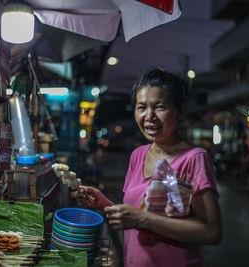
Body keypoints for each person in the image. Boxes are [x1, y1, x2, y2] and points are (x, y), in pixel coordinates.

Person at [71, 68, 222, 267]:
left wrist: (143, 219)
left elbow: (212, 232)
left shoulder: (194, 159)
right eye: (141, 107)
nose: (149, 116)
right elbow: (135, 215)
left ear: (180, 111)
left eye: (160, 107)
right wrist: (103, 204)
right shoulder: (138, 155)